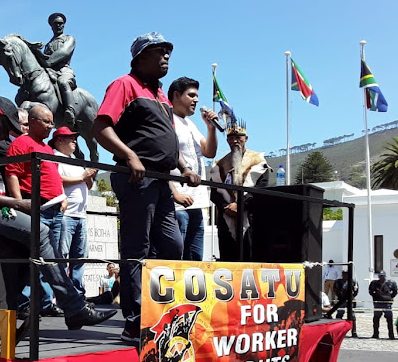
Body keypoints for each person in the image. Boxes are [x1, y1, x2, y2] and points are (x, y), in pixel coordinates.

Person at [0, 96, 115, 330]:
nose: (8, 134)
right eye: (7, 127)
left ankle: (17, 309)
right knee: (39, 231)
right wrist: (17, 204)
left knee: (26, 244)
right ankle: (74, 307)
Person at [92, 32, 199, 343]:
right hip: (137, 177)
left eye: (168, 51)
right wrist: (129, 155)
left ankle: (163, 311)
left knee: (172, 246)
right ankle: (134, 321)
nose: (166, 56)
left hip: (163, 179)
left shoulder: (162, 95)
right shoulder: (124, 84)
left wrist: (185, 168)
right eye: (158, 51)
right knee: (136, 249)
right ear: (139, 58)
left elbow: (167, 142)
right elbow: (100, 127)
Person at [6, 105, 68, 317]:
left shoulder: (48, 149)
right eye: (46, 121)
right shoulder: (22, 143)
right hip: (36, 208)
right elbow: (13, 173)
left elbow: (54, 175)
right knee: (33, 258)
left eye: (52, 122)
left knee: (53, 259)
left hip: (55, 208)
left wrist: (62, 196)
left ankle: (44, 302)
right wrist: (18, 203)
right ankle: (24, 303)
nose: (51, 126)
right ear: (32, 121)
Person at [167, 77, 218, 261]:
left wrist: (211, 128)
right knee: (176, 256)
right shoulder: (167, 119)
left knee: (195, 258)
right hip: (177, 203)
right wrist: (175, 194)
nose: (196, 100)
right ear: (176, 95)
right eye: (191, 95)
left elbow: (209, 152)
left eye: (197, 96)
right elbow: (161, 160)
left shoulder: (190, 124)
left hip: (197, 202)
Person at [209, 119, 270, 262]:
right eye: (231, 138)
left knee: (250, 256)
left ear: (246, 139)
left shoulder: (257, 160)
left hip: (250, 216)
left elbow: (261, 188)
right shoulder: (219, 164)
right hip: (226, 216)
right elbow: (214, 192)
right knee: (228, 256)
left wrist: (241, 205)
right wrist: (225, 207)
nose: (235, 140)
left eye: (238, 137)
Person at [52, 126, 97, 296]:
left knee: (79, 256)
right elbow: (57, 180)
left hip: (80, 214)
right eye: (69, 138)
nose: (74, 141)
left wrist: (89, 178)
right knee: (62, 256)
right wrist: (83, 177)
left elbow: (87, 184)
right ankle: (63, 294)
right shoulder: (55, 157)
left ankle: (77, 293)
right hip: (67, 214)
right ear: (59, 140)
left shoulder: (75, 160)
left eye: (74, 138)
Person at [43, 13, 78, 126]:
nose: (59, 26)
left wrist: (46, 62)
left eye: (61, 24)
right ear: (51, 26)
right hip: (50, 71)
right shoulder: (48, 45)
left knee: (62, 82)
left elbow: (63, 52)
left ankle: (70, 111)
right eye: (56, 24)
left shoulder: (69, 39)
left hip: (63, 70)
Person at [368, 271, 398, 339]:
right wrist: (376, 296)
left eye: (383, 276)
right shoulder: (374, 283)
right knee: (376, 319)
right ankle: (375, 334)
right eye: (380, 276)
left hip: (387, 303)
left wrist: (389, 297)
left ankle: (391, 335)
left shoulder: (390, 283)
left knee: (389, 319)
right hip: (378, 303)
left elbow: (395, 291)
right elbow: (370, 291)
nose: (382, 278)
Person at [333, 270, 359, 338]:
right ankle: (337, 331)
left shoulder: (353, 282)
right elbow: (335, 289)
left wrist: (351, 297)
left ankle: (354, 332)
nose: (345, 275)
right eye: (344, 274)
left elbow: (356, 291)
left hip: (349, 300)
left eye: (347, 274)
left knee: (352, 316)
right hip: (341, 300)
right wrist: (340, 295)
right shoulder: (338, 281)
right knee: (339, 315)